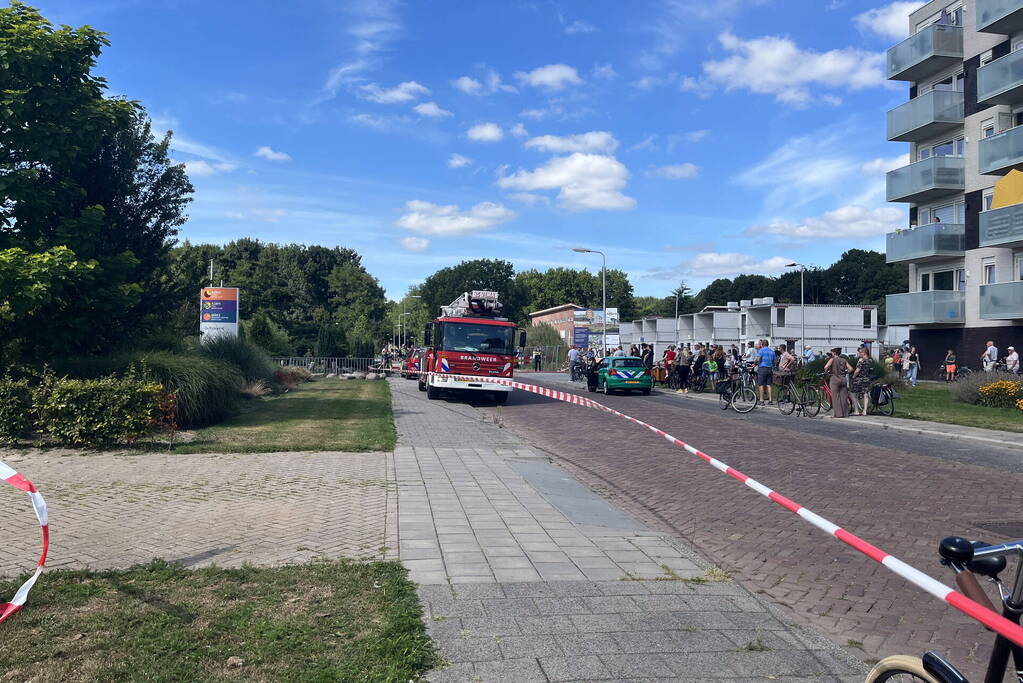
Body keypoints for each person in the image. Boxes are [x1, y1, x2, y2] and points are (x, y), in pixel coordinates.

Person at [824, 348, 851, 418]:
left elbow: (826, 367)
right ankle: (845, 413)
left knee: (836, 397)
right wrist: (845, 372)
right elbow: (851, 369)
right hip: (843, 379)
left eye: (832, 352)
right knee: (843, 397)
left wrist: (827, 372)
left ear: (834, 353)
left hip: (835, 378)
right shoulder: (844, 360)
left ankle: (838, 414)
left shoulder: (832, 359)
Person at [850, 347, 874, 416]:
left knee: (853, 394)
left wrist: (854, 376)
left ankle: (856, 411)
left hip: (859, 379)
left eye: (860, 352)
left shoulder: (861, 360)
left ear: (864, 353)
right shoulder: (870, 360)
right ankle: (864, 411)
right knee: (865, 395)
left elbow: (857, 370)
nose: (859, 353)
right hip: (866, 379)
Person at [755, 339, 776, 404]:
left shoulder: (761, 351)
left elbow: (758, 359)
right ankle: (770, 400)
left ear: (762, 344)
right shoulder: (772, 351)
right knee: (769, 385)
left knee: (761, 384)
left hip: (762, 368)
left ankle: (761, 400)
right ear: (768, 344)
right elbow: (774, 361)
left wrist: (755, 363)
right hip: (769, 368)